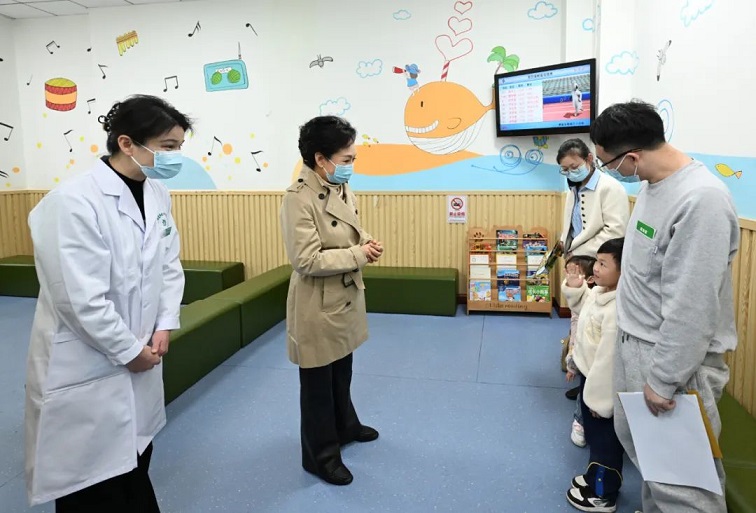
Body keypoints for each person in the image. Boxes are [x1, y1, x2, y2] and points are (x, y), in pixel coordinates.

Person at [25, 95, 191, 511]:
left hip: (143, 352)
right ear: (127, 143)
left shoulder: (157, 193)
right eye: (168, 146)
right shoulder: (72, 201)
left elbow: (169, 264)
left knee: (136, 457)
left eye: (179, 147)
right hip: (87, 362)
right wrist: (127, 350)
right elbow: (78, 298)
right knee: (91, 480)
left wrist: (165, 322)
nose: (175, 156)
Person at [591, 100, 740, 513]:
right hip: (635, 345)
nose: (609, 171)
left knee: (684, 487)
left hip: (670, 362)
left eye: (608, 164)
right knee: (655, 468)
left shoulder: (702, 200)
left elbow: (693, 306)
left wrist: (663, 378)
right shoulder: (652, 185)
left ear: (633, 156)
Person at [280, 115, 383, 486]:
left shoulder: (339, 185)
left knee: (342, 372)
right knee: (317, 386)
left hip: (344, 295)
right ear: (320, 159)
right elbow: (305, 260)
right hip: (317, 303)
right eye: (346, 158)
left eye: (353, 158)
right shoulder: (298, 198)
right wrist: (359, 254)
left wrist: (366, 242)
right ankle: (319, 456)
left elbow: (350, 228)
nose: (351, 164)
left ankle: (345, 427)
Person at [556, 139, 629, 404]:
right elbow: (571, 225)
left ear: (589, 159)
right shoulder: (573, 188)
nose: (570, 172)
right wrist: (563, 243)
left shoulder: (611, 188)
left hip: (599, 266)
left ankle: (594, 386)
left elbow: (615, 232)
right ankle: (579, 372)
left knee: (596, 328)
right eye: (565, 169)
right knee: (579, 320)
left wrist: (580, 251)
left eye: (574, 166)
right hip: (578, 262)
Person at [563, 238, 625, 512]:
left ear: (624, 271)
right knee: (594, 437)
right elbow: (585, 306)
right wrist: (576, 288)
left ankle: (603, 494)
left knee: (604, 443)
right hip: (589, 377)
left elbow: (608, 362)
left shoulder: (616, 309)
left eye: (603, 264)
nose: (595, 268)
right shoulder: (601, 292)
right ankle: (593, 477)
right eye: (597, 261)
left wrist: (600, 402)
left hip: (601, 388)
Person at [563, 254, 596, 448]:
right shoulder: (579, 303)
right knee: (585, 388)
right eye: (567, 273)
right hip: (583, 355)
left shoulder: (597, 299)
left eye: (575, 273)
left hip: (597, 354)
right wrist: (572, 364)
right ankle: (580, 420)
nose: (569, 277)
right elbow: (576, 335)